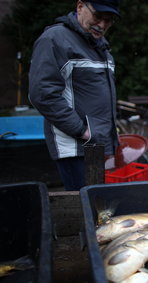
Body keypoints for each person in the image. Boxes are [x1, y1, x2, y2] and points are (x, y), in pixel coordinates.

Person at [29, 0, 121, 191]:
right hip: (74, 146)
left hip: (96, 143)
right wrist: (81, 130)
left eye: (109, 20)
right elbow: (43, 95)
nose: (102, 25)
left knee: (97, 206)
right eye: (98, 16)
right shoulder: (54, 39)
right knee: (83, 206)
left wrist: (110, 134)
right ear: (80, 7)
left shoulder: (101, 46)